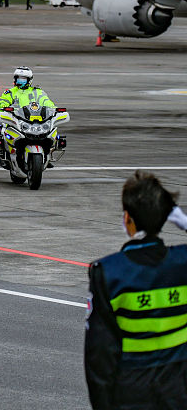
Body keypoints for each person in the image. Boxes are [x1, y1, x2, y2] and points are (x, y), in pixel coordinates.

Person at [86, 171, 187, 408]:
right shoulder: (182, 263)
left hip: (131, 395)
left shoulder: (108, 272)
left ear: (128, 219)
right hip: (178, 392)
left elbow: (100, 354)